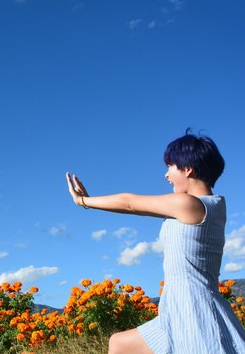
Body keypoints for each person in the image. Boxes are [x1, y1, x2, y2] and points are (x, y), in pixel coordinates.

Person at [66, 131, 245, 354]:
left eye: (170, 166)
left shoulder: (189, 204)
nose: (166, 174)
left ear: (188, 168)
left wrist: (83, 201)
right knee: (119, 344)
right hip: (175, 311)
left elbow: (129, 203)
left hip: (194, 312)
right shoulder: (212, 206)